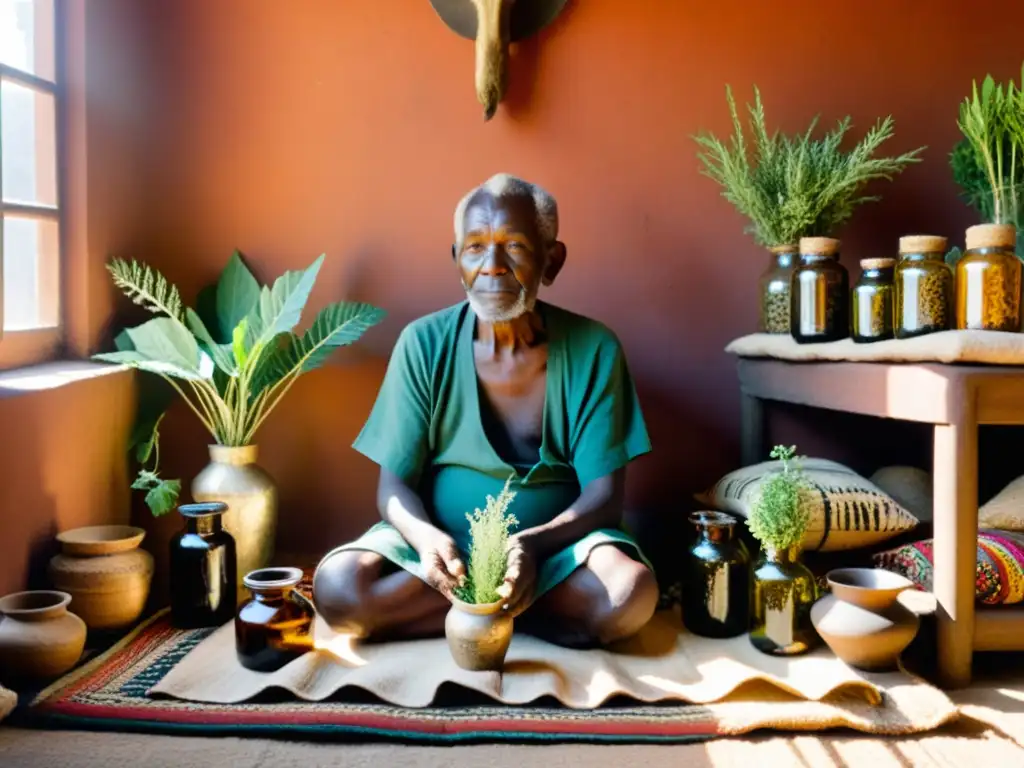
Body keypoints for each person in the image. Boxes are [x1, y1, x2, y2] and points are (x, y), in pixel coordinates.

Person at [313, 173, 657, 648]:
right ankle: (516, 613)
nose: (492, 266)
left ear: (550, 260)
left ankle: (492, 609)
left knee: (627, 596)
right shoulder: (423, 344)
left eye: (514, 246)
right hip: (442, 560)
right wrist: (427, 540)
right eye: (475, 247)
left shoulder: (594, 348)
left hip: (555, 556)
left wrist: (533, 546)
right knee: (336, 591)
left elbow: (605, 498)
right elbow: (393, 489)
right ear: (458, 262)